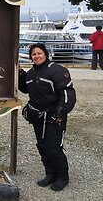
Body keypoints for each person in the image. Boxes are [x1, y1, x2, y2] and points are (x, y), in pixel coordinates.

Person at [18, 43, 76, 192]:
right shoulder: (30, 73)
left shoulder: (57, 70)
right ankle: (50, 174)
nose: (36, 56)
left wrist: (60, 112)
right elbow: (25, 89)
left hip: (54, 116)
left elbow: (67, 93)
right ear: (31, 57)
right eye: (34, 54)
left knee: (54, 148)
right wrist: (20, 75)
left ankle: (62, 177)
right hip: (38, 116)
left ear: (45, 54)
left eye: (39, 53)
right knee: (42, 146)